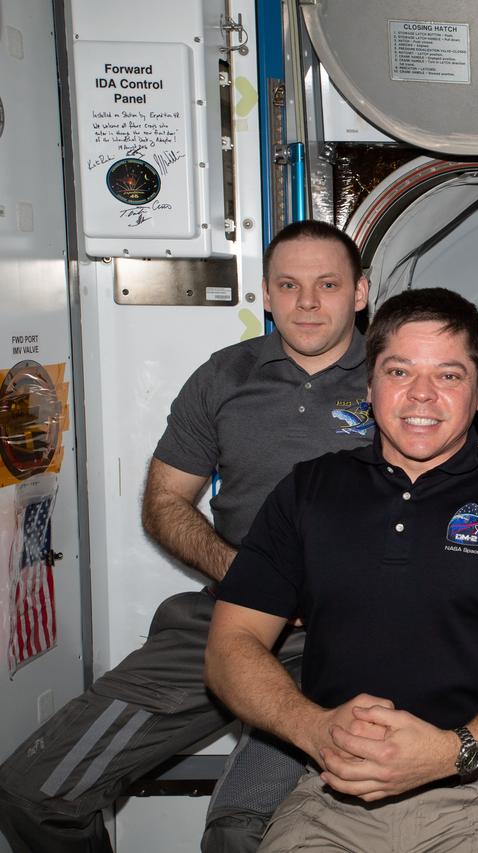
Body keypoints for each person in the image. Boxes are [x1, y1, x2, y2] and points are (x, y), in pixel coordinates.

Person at [0, 220, 374, 853]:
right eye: (289, 285)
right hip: (227, 616)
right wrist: (245, 574)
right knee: (35, 792)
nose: (307, 302)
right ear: (265, 292)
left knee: (238, 836)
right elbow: (165, 502)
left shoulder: (403, 376)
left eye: (328, 284)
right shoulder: (224, 376)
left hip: (355, 636)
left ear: (360, 292)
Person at [205, 287, 478, 851]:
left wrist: (451, 750)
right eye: (399, 371)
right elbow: (229, 645)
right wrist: (312, 729)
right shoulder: (309, 491)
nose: (422, 395)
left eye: (450, 376)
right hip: (330, 796)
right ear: (369, 385)